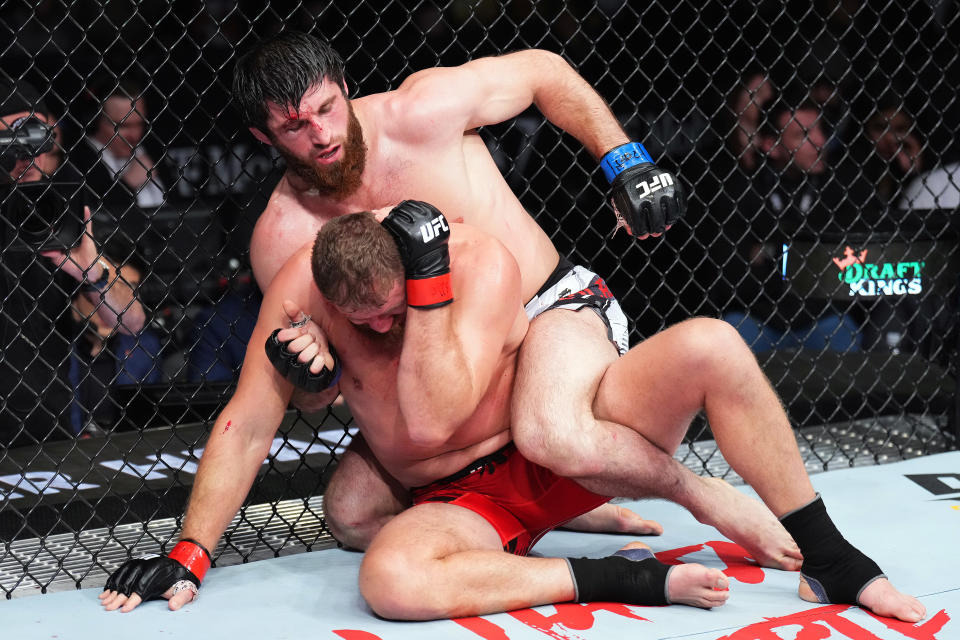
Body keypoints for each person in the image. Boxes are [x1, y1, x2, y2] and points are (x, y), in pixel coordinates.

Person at [99, 203, 923, 622]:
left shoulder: (478, 262)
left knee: (709, 343)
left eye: (394, 308)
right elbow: (246, 420)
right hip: (473, 502)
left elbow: (431, 414)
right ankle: (619, 574)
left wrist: (423, 302)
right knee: (384, 569)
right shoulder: (300, 296)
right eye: (365, 323)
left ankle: (834, 556)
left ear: (414, 270)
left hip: (570, 448)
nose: (380, 329)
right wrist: (189, 551)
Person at [228, 30, 696, 549]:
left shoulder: (423, 112)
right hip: (444, 373)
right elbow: (326, 392)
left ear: (344, 85)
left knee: (556, 434)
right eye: (294, 126)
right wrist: (311, 375)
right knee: (352, 516)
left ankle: (697, 494)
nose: (319, 134)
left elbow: (543, 70)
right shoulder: (282, 240)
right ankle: (535, 520)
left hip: (544, 316)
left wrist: (625, 161)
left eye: (326, 108)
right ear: (264, 135)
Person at [0, 79, 147, 445]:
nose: (27, 156)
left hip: (46, 428)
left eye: (37, 140)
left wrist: (94, 273)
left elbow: (131, 321)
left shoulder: (67, 203)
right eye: (12, 145)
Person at [715, 96, 863, 353]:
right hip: (758, 316)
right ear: (772, 145)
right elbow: (731, 273)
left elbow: (848, 266)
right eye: (803, 134)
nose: (819, 142)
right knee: (728, 342)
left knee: (845, 337)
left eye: (820, 130)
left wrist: (768, 251)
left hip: (821, 316)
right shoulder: (742, 190)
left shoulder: (841, 186)